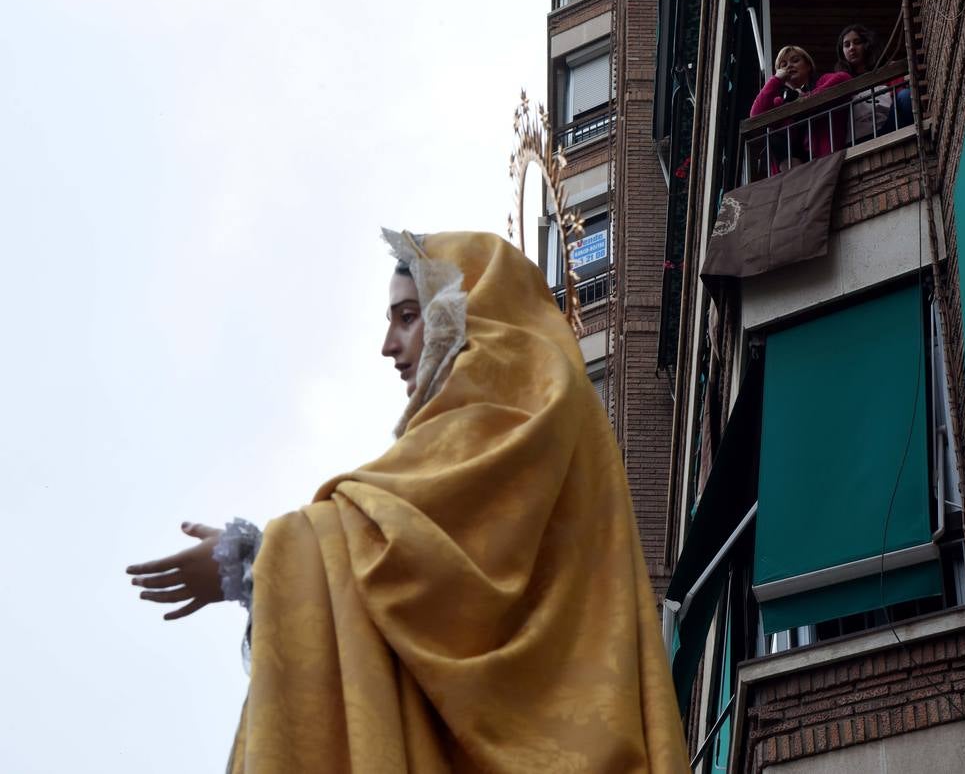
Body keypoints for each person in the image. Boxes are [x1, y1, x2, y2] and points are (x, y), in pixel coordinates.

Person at [126, 230, 689, 773]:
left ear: (467, 313)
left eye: (407, 316)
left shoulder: (511, 412)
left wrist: (251, 561)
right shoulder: (531, 419)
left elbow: (416, 562)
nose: (389, 346)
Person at [748, 45, 852, 173]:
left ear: (808, 66)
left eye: (795, 60)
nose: (789, 66)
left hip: (823, 159)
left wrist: (805, 98)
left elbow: (844, 78)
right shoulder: (781, 101)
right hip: (792, 168)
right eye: (783, 64)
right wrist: (775, 80)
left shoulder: (821, 82)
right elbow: (756, 114)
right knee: (774, 133)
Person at [835, 24, 913, 143]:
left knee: (905, 96)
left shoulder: (886, 71)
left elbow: (901, 93)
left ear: (867, 44)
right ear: (842, 51)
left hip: (890, 126)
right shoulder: (840, 80)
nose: (852, 48)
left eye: (857, 42)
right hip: (857, 139)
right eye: (847, 45)